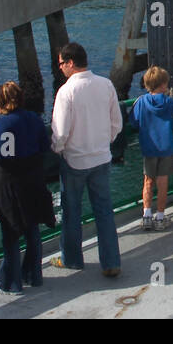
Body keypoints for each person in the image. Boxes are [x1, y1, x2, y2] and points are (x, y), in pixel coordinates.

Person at [50, 42, 122, 277]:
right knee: (104, 211)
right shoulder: (106, 85)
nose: (60, 68)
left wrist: (58, 149)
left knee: (71, 212)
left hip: (74, 161)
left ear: (70, 63)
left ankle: (71, 260)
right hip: (101, 158)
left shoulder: (66, 92)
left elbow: (60, 132)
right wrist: (104, 142)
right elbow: (116, 124)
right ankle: (111, 262)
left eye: (61, 63)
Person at [0, 80, 54, 296]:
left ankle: (9, 283)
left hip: (12, 185)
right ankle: (33, 275)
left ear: (3, 104)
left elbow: (4, 155)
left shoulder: (7, 124)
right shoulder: (34, 119)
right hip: (35, 181)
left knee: (11, 233)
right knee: (32, 229)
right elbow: (44, 146)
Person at [130, 65, 173, 231]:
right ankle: (160, 216)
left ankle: (146, 215)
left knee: (148, 181)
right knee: (163, 181)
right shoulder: (169, 103)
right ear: (163, 85)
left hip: (148, 147)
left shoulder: (141, 103)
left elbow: (134, 122)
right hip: (165, 147)